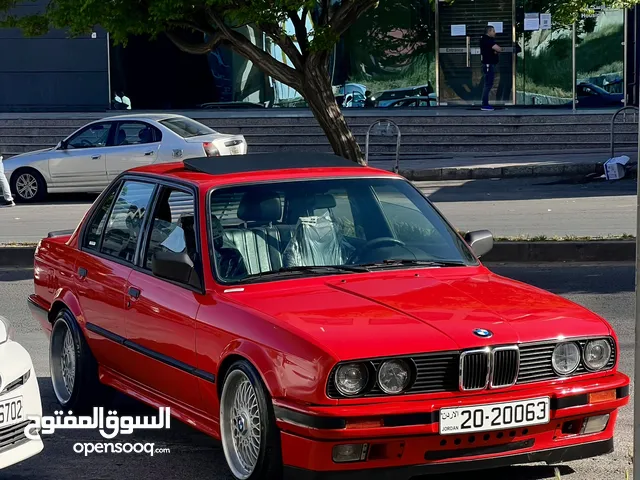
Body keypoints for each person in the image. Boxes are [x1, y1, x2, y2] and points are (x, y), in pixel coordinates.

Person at [480, 25, 502, 111]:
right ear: (489, 31)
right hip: (488, 65)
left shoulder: (487, 40)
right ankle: (485, 104)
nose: (495, 32)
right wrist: (495, 51)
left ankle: (485, 103)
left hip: (489, 64)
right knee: (488, 84)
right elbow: (499, 49)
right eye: (493, 31)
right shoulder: (487, 40)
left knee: (488, 84)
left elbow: (495, 50)